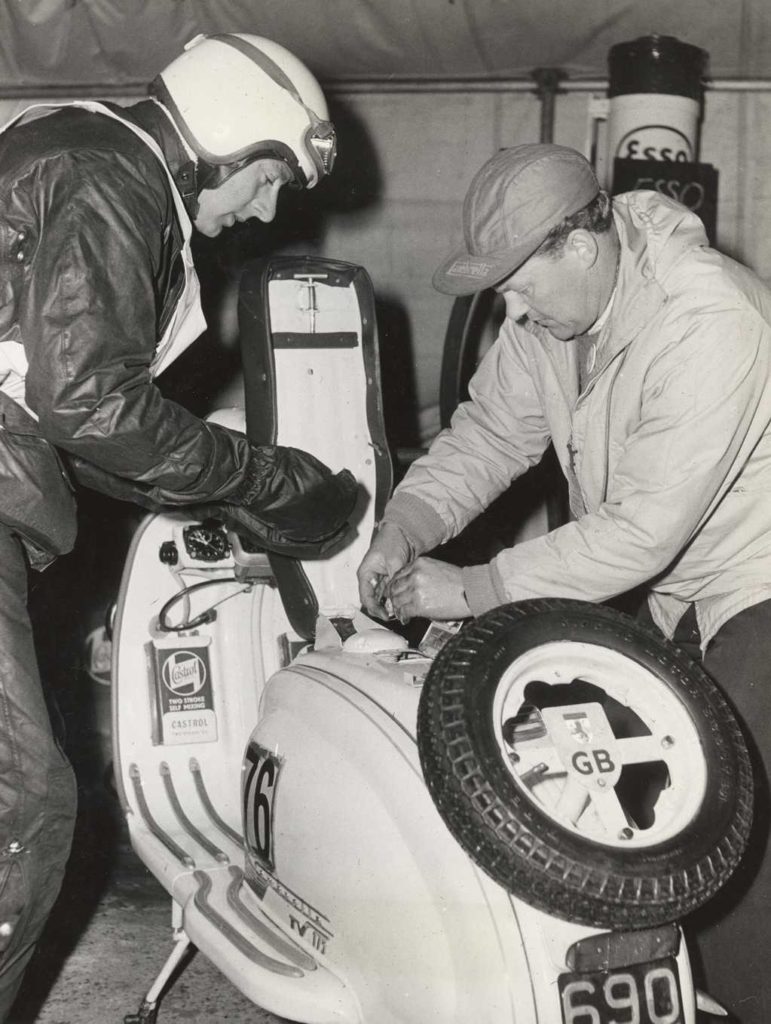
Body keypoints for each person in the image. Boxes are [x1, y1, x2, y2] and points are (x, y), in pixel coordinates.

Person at [357, 142, 771, 1021]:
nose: (507, 306)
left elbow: (638, 533)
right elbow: (487, 437)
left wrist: (468, 589)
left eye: (517, 282)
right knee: (626, 814)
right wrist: (408, 523)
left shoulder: (712, 318)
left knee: (725, 841)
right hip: (674, 591)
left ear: (578, 247)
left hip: (757, 582)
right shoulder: (552, 321)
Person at [0, 32, 356, 1018]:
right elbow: (88, 403)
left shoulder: (81, 154)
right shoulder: (120, 178)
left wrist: (233, 496)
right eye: (270, 176)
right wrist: (270, 478)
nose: (267, 209)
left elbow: (62, 419)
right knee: (21, 806)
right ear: (229, 132)